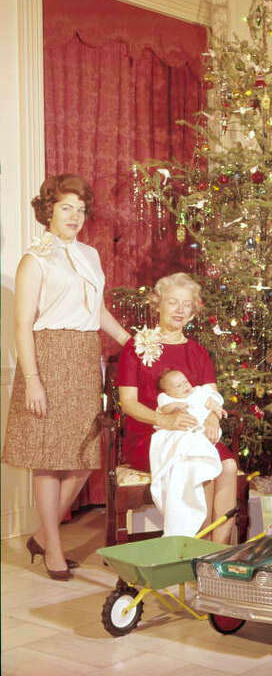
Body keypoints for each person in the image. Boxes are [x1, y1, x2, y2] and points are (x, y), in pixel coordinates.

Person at [2, 174, 130, 580]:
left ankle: (42, 534)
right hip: (47, 357)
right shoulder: (34, 259)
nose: (75, 216)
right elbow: (22, 325)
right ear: (48, 211)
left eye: (80, 209)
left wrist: (131, 343)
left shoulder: (90, 255)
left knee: (81, 458)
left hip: (82, 357)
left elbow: (97, 311)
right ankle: (54, 551)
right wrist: (33, 379)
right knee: (48, 459)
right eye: (65, 208)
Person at [117, 272, 237, 543]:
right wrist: (166, 421)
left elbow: (211, 396)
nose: (180, 310)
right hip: (152, 435)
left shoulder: (197, 352)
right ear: (157, 305)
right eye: (173, 302)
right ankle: (197, 549)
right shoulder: (135, 348)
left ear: (193, 310)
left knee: (228, 467)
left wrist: (212, 419)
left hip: (193, 433)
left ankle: (217, 553)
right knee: (202, 469)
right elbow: (128, 403)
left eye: (186, 304)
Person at [151, 370, 225, 536]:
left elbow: (212, 401)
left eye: (185, 382)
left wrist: (217, 410)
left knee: (201, 442)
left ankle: (202, 456)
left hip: (200, 429)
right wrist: (175, 406)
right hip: (177, 429)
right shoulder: (167, 398)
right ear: (168, 391)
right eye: (178, 385)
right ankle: (188, 520)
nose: (185, 386)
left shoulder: (198, 392)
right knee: (182, 445)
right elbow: (165, 408)